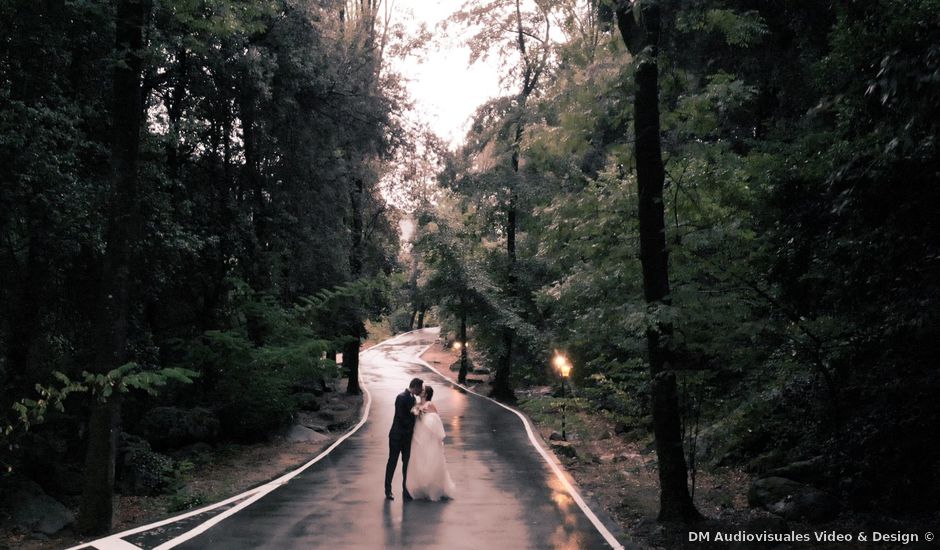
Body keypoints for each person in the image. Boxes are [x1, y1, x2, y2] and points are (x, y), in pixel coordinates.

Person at [405, 385, 456, 501]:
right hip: (418, 436)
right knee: (418, 460)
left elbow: (436, 420)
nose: (421, 391)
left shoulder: (430, 405)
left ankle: (432, 488)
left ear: (426, 394)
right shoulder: (417, 404)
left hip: (428, 438)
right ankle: (420, 487)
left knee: (430, 460)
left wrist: (424, 417)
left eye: (423, 390)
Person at [385, 377, 423, 500]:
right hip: (397, 436)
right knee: (392, 462)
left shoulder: (414, 399)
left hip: (407, 438)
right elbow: (402, 417)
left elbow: (416, 415)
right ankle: (388, 490)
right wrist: (412, 423)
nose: (421, 390)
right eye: (420, 388)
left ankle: (405, 490)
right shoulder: (401, 397)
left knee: (406, 464)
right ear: (416, 387)